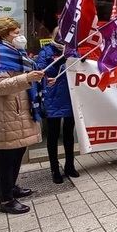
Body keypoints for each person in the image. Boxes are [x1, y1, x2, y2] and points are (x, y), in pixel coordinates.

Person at [0, 17, 44, 214]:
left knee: (18, 152)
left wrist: (37, 81)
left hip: (18, 109)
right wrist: (27, 78)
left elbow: (23, 78)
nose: (20, 35)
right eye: (15, 32)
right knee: (7, 156)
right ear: (2, 33)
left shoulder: (16, 53)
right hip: (5, 112)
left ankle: (11, 187)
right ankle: (6, 200)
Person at [35, 28, 78, 183]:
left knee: (68, 134)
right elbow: (40, 70)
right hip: (52, 98)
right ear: (53, 36)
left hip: (70, 97)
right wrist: (60, 59)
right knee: (53, 135)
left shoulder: (73, 51)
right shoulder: (46, 51)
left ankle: (70, 165)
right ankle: (54, 168)